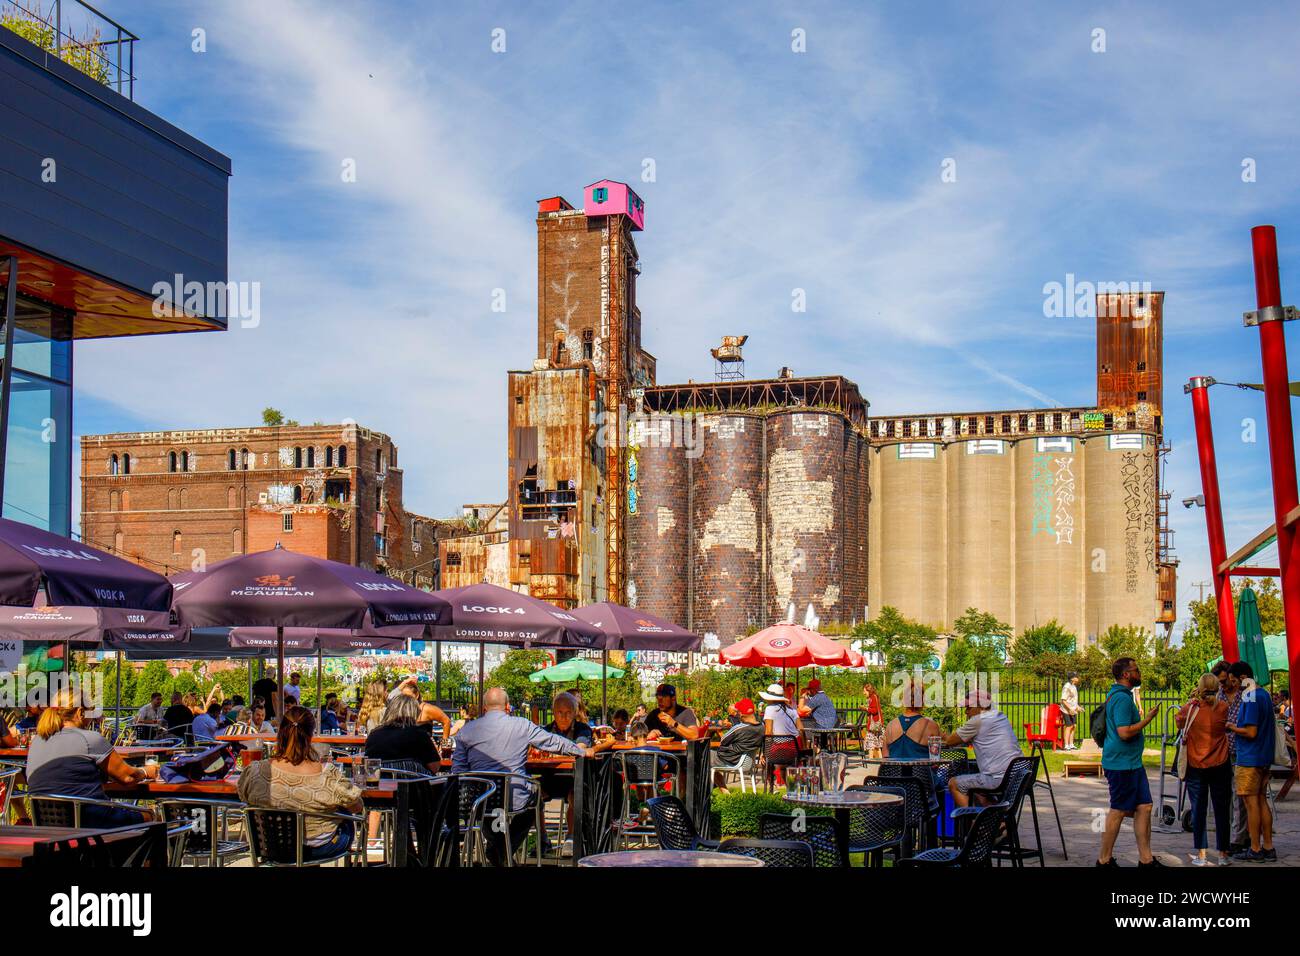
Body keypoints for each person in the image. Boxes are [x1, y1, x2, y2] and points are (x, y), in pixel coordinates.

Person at [451, 687, 612, 865]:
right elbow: (552, 741)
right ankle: (503, 850)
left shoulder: (465, 732)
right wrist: (581, 751)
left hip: (479, 800)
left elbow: (458, 772)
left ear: (484, 709)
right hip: (515, 796)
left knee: (488, 809)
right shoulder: (522, 725)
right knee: (533, 799)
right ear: (508, 707)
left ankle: (497, 849)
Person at [237, 705, 362, 862]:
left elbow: (242, 795)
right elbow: (357, 806)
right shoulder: (327, 775)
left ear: (281, 733)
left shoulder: (255, 772)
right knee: (347, 820)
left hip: (270, 845)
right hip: (319, 848)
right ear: (310, 736)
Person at [26, 687, 157, 827]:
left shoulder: (37, 741)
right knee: (151, 815)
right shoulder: (90, 739)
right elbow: (128, 777)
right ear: (80, 712)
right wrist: (146, 771)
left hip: (47, 824)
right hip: (89, 821)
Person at [1096, 656, 1161, 867]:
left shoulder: (1121, 695)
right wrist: (1148, 719)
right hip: (1121, 764)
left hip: (1132, 763)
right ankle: (1104, 860)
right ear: (1126, 674)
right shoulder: (1122, 699)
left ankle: (1146, 860)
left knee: (1145, 806)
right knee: (1119, 809)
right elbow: (1124, 732)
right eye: (1136, 669)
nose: (1139, 673)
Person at [1175, 673, 1232, 866]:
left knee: (1199, 809)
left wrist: (1194, 699)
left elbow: (1178, 721)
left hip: (1196, 764)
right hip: (1220, 762)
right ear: (1218, 687)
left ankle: (1201, 854)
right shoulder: (1223, 707)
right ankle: (1223, 854)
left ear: (1199, 688)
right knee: (1222, 809)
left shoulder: (1191, 708)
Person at [1225, 661, 1277, 863]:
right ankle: (1268, 846)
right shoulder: (1264, 695)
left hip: (1249, 757)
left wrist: (1232, 726)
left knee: (1251, 803)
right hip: (1263, 756)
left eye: (1234, 680)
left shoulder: (1250, 696)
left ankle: (1255, 848)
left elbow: (1251, 731)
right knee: (1261, 801)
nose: (1234, 685)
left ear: (1243, 677)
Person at [944, 690, 1022, 808]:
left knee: (953, 784)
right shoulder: (1000, 716)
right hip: (1018, 775)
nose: (966, 712)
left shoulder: (977, 721)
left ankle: (976, 822)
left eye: (968, 707)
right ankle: (998, 821)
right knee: (977, 787)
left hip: (998, 778)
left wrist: (939, 735)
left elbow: (950, 741)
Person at [1212, 660, 1250, 853]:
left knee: (1239, 796)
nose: (1223, 685)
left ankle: (1238, 838)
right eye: (1220, 682)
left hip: (1240, 750)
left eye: (1225, 680)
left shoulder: (1246, 694)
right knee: (1223, 796)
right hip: (1220, 752)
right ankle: (1227, 836)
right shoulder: (1218, 695)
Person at [364, 695, 440, 773]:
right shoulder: (419, 734)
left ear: (390, 710)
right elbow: (435, 767)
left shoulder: (374, 735)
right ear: (415, 712)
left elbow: (368, 766)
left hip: (382, 783)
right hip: (413, 783)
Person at [713, 698, 763, 791]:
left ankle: (702, 794)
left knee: (702, 756)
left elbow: (723, 740)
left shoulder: (739, 728)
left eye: (738, 712)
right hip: (748, 762)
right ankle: (724, 792)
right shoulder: (762, 727)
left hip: (732, 760)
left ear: (741, 713)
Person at [884, 680, 942, 760]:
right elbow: (936, 761)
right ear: (923, 701)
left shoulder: (890, 726)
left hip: (893, 772)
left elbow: (885, 758)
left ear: (903, 700)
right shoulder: (931, 726)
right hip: (922, 772)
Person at [862, 682, 884, 759]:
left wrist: (866, 708)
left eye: (865, 691)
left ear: (869, 690)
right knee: (876, 744)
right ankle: (881, 760)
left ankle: (870, 760)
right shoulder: (874, 697)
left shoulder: (873, 698)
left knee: (871, 744)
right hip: (876, 724)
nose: (863, 693)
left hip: (873, 724)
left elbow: (874, 711)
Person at [1060, 673, 1081, 750]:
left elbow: (1073, 699)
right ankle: (1066, 745)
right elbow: (1063, 700)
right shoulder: (1067, 687)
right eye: (1076, 677)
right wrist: (1070, 709)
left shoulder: (1074, 686)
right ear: (1072, 678)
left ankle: (1071, 744)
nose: (1078, 678)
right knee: (1069, 726)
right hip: (1066, 710)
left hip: (1073, 710)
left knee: (1074, 726)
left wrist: (1078, 707)